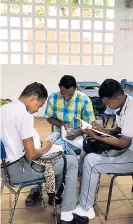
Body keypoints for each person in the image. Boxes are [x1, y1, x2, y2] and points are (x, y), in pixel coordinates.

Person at [0, 83, 79, 224]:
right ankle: (67, 215)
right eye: (39, 106)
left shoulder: (5, 108)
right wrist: (46, 147)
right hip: (19, 171)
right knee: (71, 161)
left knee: (61, 159)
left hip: (4, 170)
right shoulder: (24, 115)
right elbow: (31, 155)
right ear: (33, 98)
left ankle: (54, 194)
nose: (37, 110)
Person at [73, 79, 133, 219]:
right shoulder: (124, 104)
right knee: (87, 151)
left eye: (108, 103)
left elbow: (122, 142)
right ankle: (82, 192)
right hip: (124, 150)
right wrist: (102, 130)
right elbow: (118, 131)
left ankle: (86, 208)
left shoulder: (132, 109)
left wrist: (97, 137)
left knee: (92, 161)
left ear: (117, 97)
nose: (107, 106)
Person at [25, 75, 95, 207]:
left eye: (70, 94)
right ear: (59, 88)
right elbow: (49, 118)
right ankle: (35, 188)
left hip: (79, 136)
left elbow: (90, 124)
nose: (66, 97)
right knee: (40, 149)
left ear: (75, 89)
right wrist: (61, 124)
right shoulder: (54, 97)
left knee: (60, 151)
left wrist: (77, 133)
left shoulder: (84, 99)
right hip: (59, 132)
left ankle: (60, 188)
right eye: (63, 94)